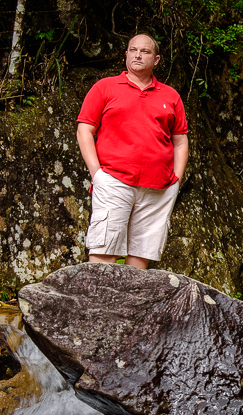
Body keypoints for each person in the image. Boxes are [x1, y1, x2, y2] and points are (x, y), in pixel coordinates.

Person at [76, 33, 189, 270]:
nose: (138, 55)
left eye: (145, 51)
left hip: (158, 187)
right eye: (133, 50)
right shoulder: (105, 87)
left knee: (141, 255)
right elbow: (85, 130)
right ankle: (99, 296)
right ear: (126, 54)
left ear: (156, 59)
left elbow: (180, 141)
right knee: (104, 250)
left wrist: (176, 180)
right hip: (114, 180)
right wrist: (97, 174)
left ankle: (130, 298)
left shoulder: (170, 95)